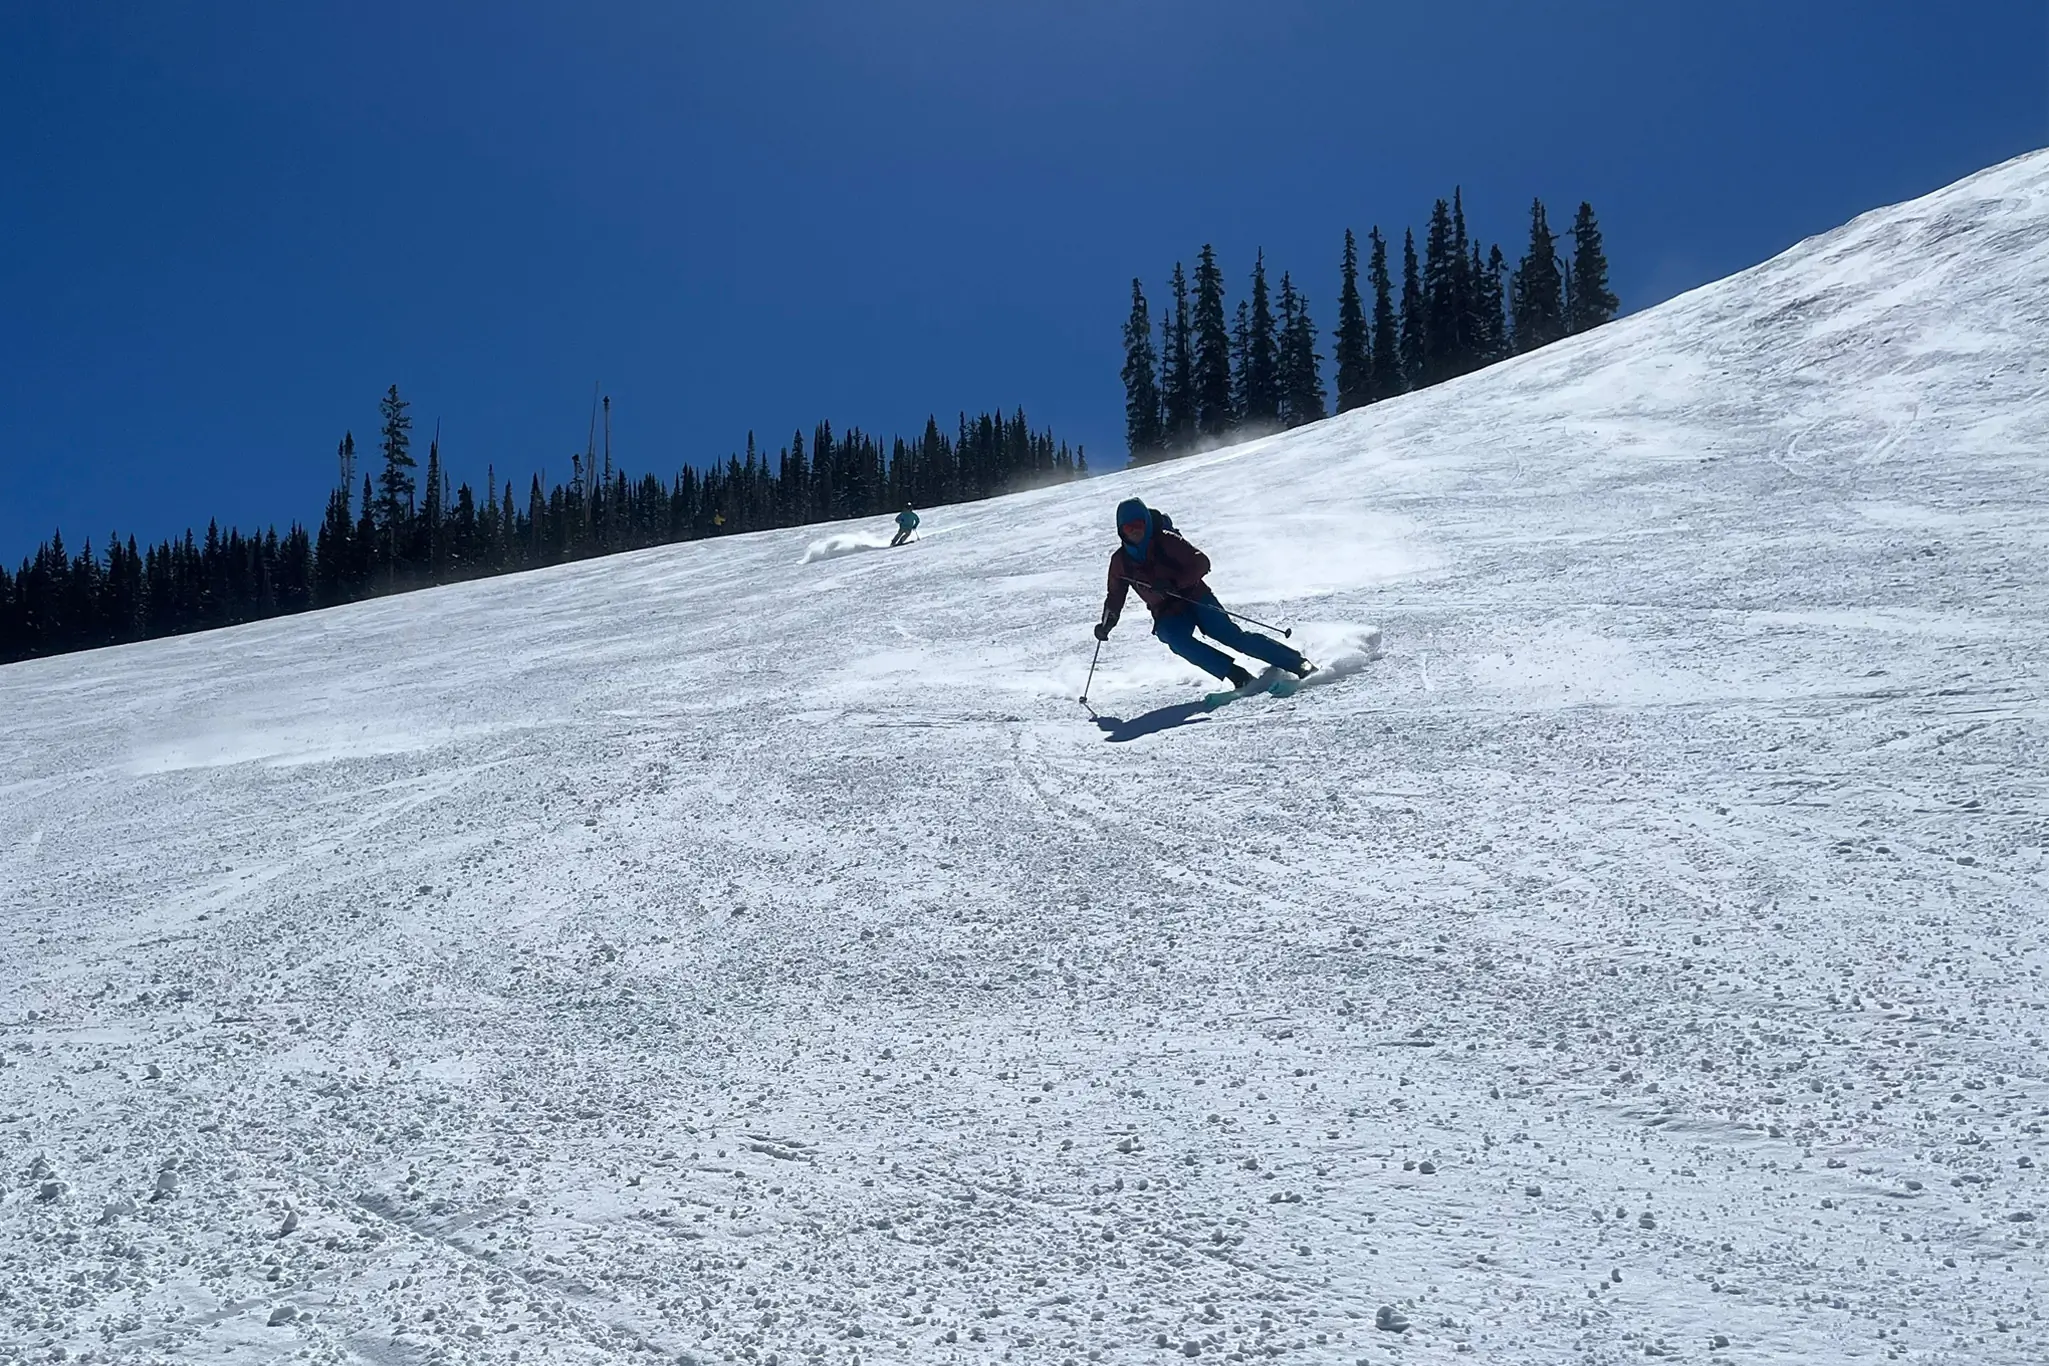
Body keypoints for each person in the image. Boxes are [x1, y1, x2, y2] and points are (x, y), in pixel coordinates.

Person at [1094, 497, 1311, 689]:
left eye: (1138, 524)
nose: (1134, 531)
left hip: (1195, 595)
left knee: (1229, 635)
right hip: (1167, 611)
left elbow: (1201, 562)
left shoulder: (1167, 540)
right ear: (1120, 530)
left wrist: (1174, 583)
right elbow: (1115, 596)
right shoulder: (1120, 562)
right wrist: (1107, 624)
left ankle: (1297, 663)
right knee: (1173, 637)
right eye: (1127, 527)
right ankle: (1237, 675)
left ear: (1147, 523)